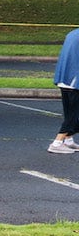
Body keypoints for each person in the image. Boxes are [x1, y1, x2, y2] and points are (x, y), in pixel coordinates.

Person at [48, 26, 79, 154]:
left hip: (64, 77)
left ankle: (68, 139)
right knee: (73, 115)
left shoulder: (73, 34)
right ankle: (57, 142)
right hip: (75, 79)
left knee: (69, 112)